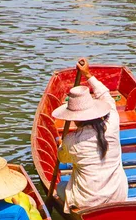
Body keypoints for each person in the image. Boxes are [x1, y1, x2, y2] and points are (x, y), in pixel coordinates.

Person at [52, 58, 128, 212]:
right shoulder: (112, 122)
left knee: (60, 187)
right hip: (118, 195)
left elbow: (63, 158)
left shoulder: (71, 140)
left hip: (86, 203)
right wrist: (88, 74)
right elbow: (106, 95)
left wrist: (61, 145)